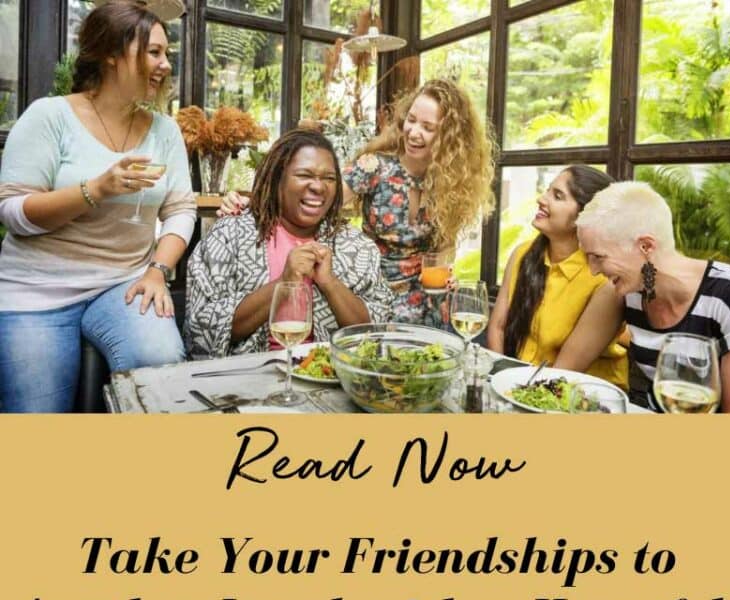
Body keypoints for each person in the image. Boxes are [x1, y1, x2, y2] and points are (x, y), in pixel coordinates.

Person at [0, 1, 196, 413]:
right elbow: (14, 213)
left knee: (159, 370)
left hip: (122, 283)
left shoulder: (165, 131)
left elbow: (181, 209)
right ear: (111, 54)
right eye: (153, 52)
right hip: (37, 291)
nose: (164, 65)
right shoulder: (50, 117)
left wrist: (158, 270)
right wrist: (96, 189)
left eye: (167, 54)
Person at [220, 79, 496, 327]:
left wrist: (446, 274)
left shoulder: (453, 185)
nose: (413, 132)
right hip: (376, 303)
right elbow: (317, 198)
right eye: (411, 120)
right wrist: (249, 202)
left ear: (449, 137)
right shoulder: (374, 167)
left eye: (428, 127)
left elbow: (444, 251)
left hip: (430, 305)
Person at [185, 128, 393, 358]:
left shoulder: (355, 247)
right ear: (278, 178)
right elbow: (201, 330)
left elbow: (374, 333)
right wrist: (285, 281)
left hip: (326, 376)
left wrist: (330, 283)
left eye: (329, 178)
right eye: (304, 175)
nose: (318, 186)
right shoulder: (230, 236)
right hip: (248, 376)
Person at [576, 181, 730, 412]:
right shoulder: (624, 291)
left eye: (598, 257)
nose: (593, 270)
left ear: (646, 246)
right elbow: (564, 370)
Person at [486, 166, 629, 390]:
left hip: (582, 398)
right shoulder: (523, 254)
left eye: (557, 196)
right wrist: (498, 379)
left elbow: (563, 373)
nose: (541, 199)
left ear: (584, 216)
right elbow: (498, 327)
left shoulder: (604, 281)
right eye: (547, 191)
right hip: (518, 383)